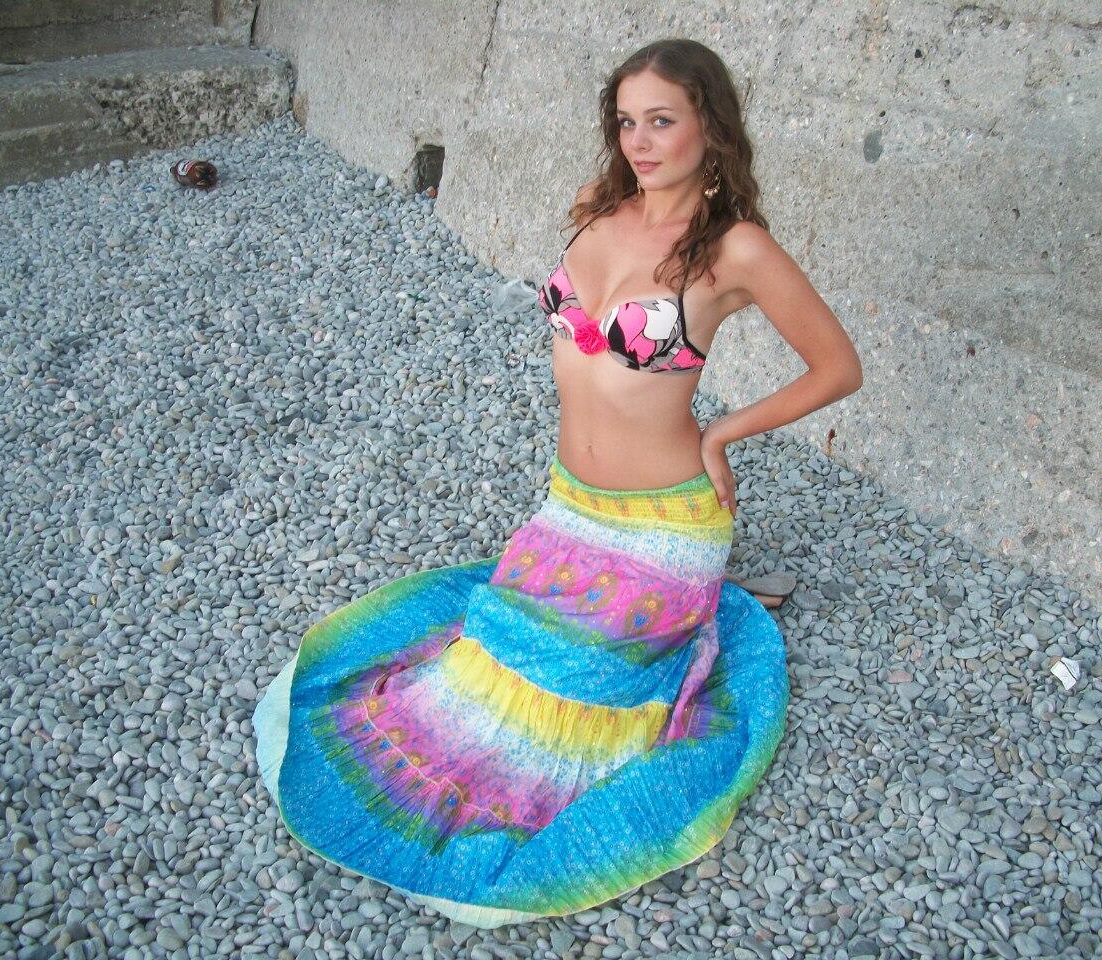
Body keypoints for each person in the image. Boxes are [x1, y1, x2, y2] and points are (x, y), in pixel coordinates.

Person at [252, 38, 863, 929]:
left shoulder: (735, 250)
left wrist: (724, 431)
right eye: (626, 122)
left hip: (664, 525)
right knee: (478, 670)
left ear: (711, 126)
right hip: (568, 505)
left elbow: (838, 367)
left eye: (662, 121)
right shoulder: (599, 209)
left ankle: (699, 611)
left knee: (574, 701)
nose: (639, 142)